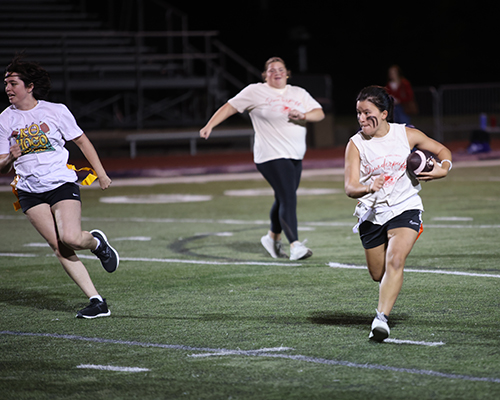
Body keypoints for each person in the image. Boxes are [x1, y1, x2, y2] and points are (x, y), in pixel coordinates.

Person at [0, 56, 119, 319]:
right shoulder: (4, 119)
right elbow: (2, 166)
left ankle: (97, 243)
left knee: (72, 238)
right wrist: (11, 156)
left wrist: (101, 173)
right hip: (29, 190)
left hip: (61, 183)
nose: (7, 88)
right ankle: (97, 301)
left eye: (13, 83)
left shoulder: (56, 111)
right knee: (59, 247)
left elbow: (82, 141)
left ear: (29, 86)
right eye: (6, 83)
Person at [344, 86, 452, 341]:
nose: (361, 119)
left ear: (383, 113)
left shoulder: (406, 134)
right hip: (372, 214)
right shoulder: (355, 144)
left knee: (396, 260)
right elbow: (350, 187)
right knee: (377, 274)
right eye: (358, 113)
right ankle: (386, 293)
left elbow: (443, 151)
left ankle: (380, 320)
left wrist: (443, 169)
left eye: (366, 112)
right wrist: (369, 187)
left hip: (406, 207)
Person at [200, 57, 325, 260]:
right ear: (265, 75)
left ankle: (271, 238)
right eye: (271, 70)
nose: (277, 72)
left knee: (283, 197)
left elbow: (319, 113)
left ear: (288, 73)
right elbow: (230, 107)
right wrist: (210, 125)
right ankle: (295, 245)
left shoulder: (298, 93)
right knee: (288, 198)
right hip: (270, 155)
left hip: (295, 155)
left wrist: (303, 115)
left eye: (281, 69)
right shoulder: (255, 91)